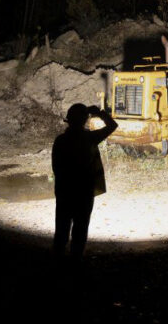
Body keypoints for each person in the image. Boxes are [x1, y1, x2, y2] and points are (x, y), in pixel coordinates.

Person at [51, 103, 117, 260]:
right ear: (84, 120)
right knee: (80, 230)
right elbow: (112, 125)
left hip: (65, 191)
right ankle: (76, 262)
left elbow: (56, 168)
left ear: (69, 120)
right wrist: (98, 112)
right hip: (84, 191)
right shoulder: (90, 138)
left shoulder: (60, 141)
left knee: (62, 229)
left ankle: (56, 264)